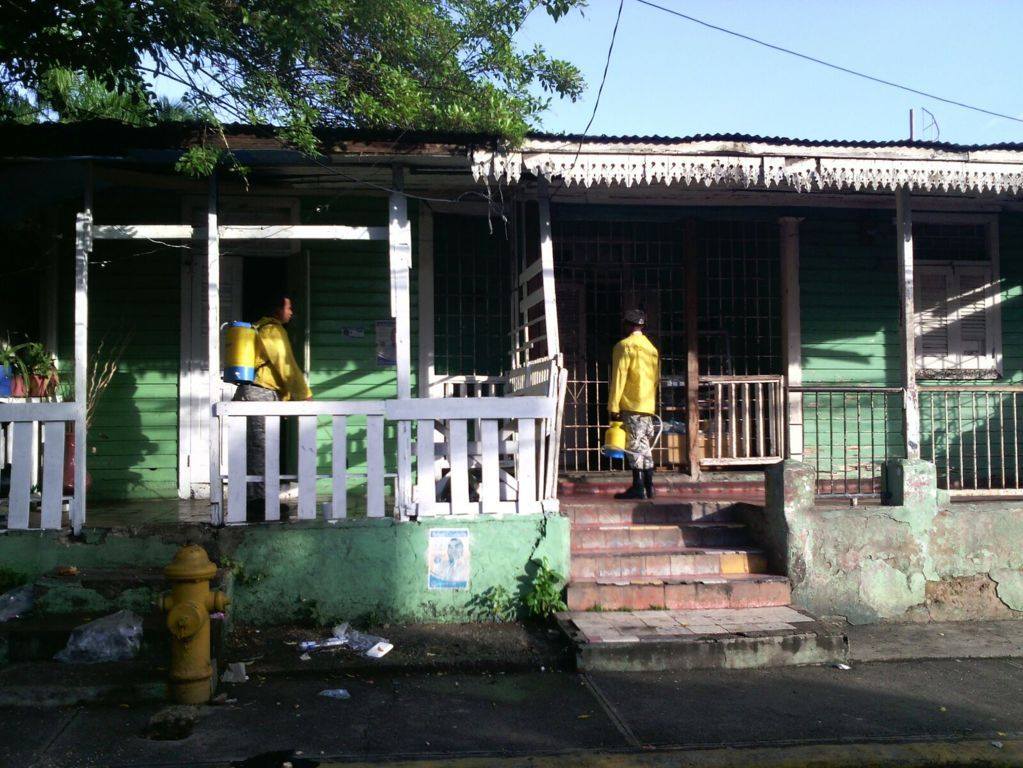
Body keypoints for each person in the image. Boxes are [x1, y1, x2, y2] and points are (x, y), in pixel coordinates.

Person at [232, 293, 312, 518]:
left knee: (256, 449)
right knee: (261, 449)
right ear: (278, 310)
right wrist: (303, 395)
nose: (291, 312)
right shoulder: (273, 330)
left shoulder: (259, 328)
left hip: (253, 393)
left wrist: (284, 400)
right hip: (260, 394)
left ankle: (253, 500)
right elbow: (286, 366)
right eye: (289, 308)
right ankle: (259, 504)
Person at [608, 308, 660, 500]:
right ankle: (649, 486)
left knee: (634, 446)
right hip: (647, 404)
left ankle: (639, 487)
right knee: (644, 445)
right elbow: (656, 379)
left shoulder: (624, 346)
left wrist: (613, 406)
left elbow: (619, 377)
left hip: (631, 404)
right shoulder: (651, 349)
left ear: (628, 325)